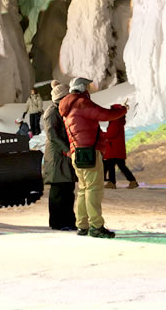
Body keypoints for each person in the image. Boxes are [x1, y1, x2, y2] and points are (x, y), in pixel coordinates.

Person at [60, 77, 127, 239]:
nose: (88, 90)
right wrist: (122, 110)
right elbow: (104, 114)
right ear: (82, 88)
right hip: (89, 152)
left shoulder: (67, 107)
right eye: (87, 87)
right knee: (93, 188)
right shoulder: (81, 103)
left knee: (83, 189)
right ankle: (96, 226)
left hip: (77, 152)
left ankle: (82, 225)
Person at [41, 80, 76, 231]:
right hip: (56, 156)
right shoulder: (51, 112)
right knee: (58, 190)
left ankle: (68, 220)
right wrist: (66, 148)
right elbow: (52, 135)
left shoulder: (61, 110)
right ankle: (57, 222)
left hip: (63, 155)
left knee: (68, 189)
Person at [103, 114, 138, 189]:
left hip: (113, 149)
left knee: (111, 165)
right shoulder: (119, 120)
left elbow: (111, 133)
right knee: (121, 166)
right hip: (117, 149)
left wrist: (102, 134)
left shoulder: (115, 120)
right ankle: (132, 181)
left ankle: (112, 182)